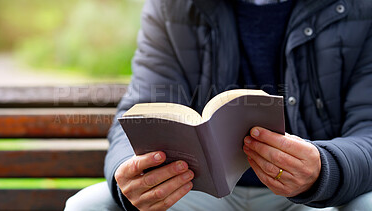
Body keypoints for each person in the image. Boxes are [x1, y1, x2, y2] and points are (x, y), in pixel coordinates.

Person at [65, 0, 372, 210]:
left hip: (317, 195)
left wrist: (325, 169)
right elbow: (138, 110)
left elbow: (368, 127)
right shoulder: (173, 5)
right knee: (88, 206)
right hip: (196, 192)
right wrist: (129, 177)